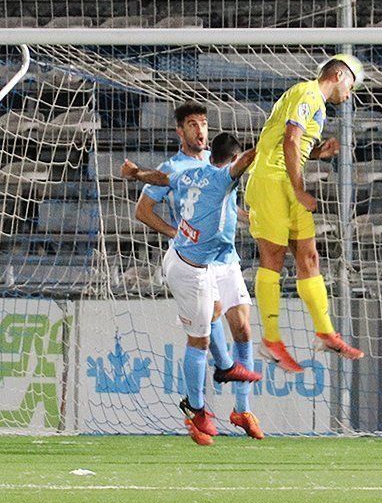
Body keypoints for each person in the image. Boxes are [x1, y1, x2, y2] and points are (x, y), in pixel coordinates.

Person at [121, 134, 261, 445]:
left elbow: (163, 177)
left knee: (222, 326)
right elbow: (249, 159)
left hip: (192, 260)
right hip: (192, 271)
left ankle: (231, 385)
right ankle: (196, 408)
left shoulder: (192, 172)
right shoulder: (224, 179)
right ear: (232, 162)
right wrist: (275, 137)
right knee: (199, 341)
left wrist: (137, 173)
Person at [246, 54, 365, 372]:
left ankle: (325, 332)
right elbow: (289, 137)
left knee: (309, 257)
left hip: (287, 179)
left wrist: (316, 151)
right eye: (351, 85)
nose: (349, 94)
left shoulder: (317, 104)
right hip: (272, 179)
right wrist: (300, 190)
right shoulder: (307, 92)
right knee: (273, 257)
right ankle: (270, 340)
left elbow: (295, 143)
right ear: (340, 75)